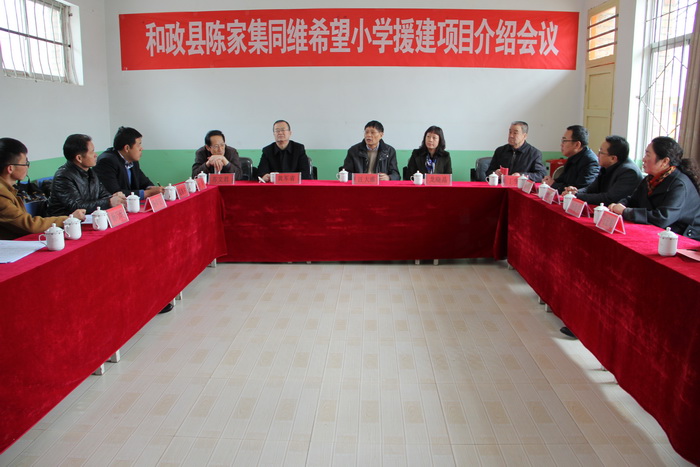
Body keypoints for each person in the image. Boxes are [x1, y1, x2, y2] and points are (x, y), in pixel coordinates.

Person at [609, 136, 700, 239]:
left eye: (648, 155)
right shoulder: (651, 178)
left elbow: (663, 218)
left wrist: (626, 212)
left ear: (664, 161)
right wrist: (619, 205)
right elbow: (633, 200)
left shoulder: (679, 185)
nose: (643, 159)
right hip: (660, 232)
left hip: (682, 237)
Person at [0, 137, 85, 240]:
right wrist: (69, 219)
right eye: (25, 163)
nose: (28, 167)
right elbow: (30, 225)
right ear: (10, 168)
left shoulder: (8, 189)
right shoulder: (2, 194)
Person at [48, 134, 126, 216]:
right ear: (79, 158)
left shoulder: (90, 172)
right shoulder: (63, 177)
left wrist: (113, 197)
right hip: (65, 221)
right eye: (92, 152)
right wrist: (108, 202)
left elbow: (103, 194)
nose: (95, 155)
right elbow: (76, 206)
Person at [562, 135, 643, 205]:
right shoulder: (607, 165)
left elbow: (610, 198)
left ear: (613, 158)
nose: (597, 155)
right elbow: (591, 189)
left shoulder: (629, 172)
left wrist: (577, 196)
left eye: (601, 152)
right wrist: (575, 192)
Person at [94, 127, 164, 199]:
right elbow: (115, 193)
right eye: (138, 145)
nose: (141, 148)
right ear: (127, 148)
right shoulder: (107, 161)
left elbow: (144, 182)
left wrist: (153, 188)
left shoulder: (132, 160)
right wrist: (147, 193)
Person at [543, 125, 599, 193]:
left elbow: (580, 189)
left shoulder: (590, 161)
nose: (561, 144)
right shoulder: (573, 156)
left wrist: (554, 184)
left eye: (564, 141)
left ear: (577, 145)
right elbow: (563, 179)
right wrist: (550, 181)